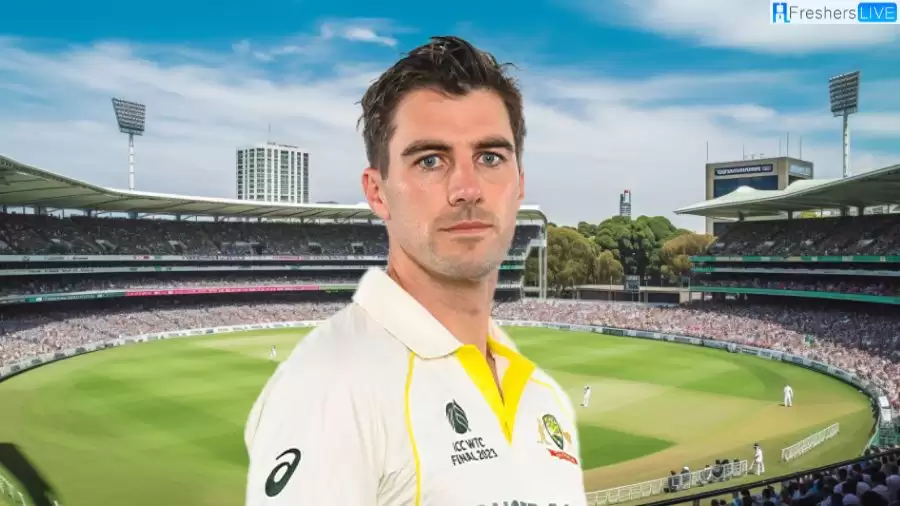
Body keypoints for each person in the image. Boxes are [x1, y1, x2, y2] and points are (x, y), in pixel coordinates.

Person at [243, 36, 586, 505]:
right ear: (377, 192)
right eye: (430, 160)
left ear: (519, 184)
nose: (467, 188)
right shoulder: (332, 387)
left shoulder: (544, 399)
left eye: (490, 157)